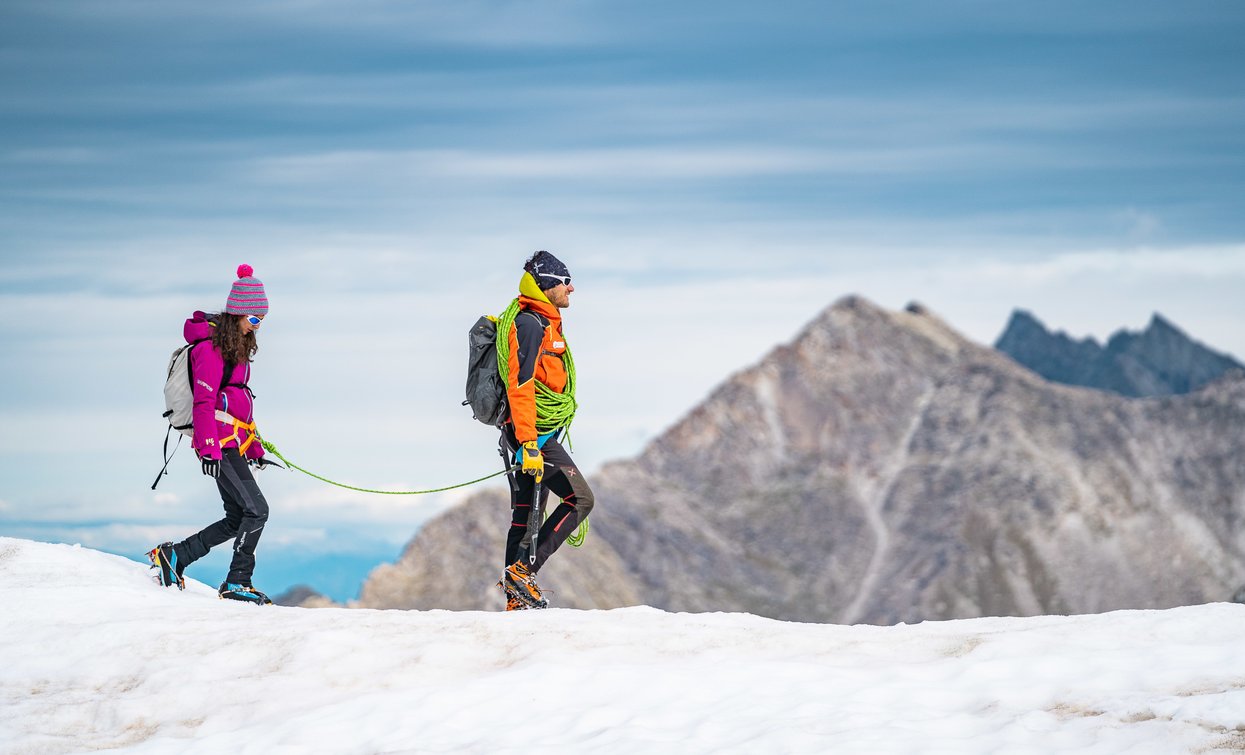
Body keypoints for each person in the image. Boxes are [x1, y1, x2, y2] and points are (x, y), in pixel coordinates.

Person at [148, 264, 278, 604]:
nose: (257, 327)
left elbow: (236, 408)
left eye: (260, 321)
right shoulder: (210, 349)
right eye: (253, 319)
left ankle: (176, 556)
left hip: (231, 443)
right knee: (257, 510)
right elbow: (205, 402)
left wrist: (254, 449)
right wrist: (208, 449)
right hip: (218, 444)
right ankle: (237, 582)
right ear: (238, 313)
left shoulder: (234, 350)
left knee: (238, 516)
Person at [498, 251, 596, 610]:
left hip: (533, 433)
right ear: (546, 285)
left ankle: (515, 599)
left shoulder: (544, 323)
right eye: (563, 282)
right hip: (531, 435)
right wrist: (529, 444)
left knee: (527, 513)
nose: (571, 288)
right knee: (580, 499)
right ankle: (524, 573)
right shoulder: (530, 326)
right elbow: (520, 385)